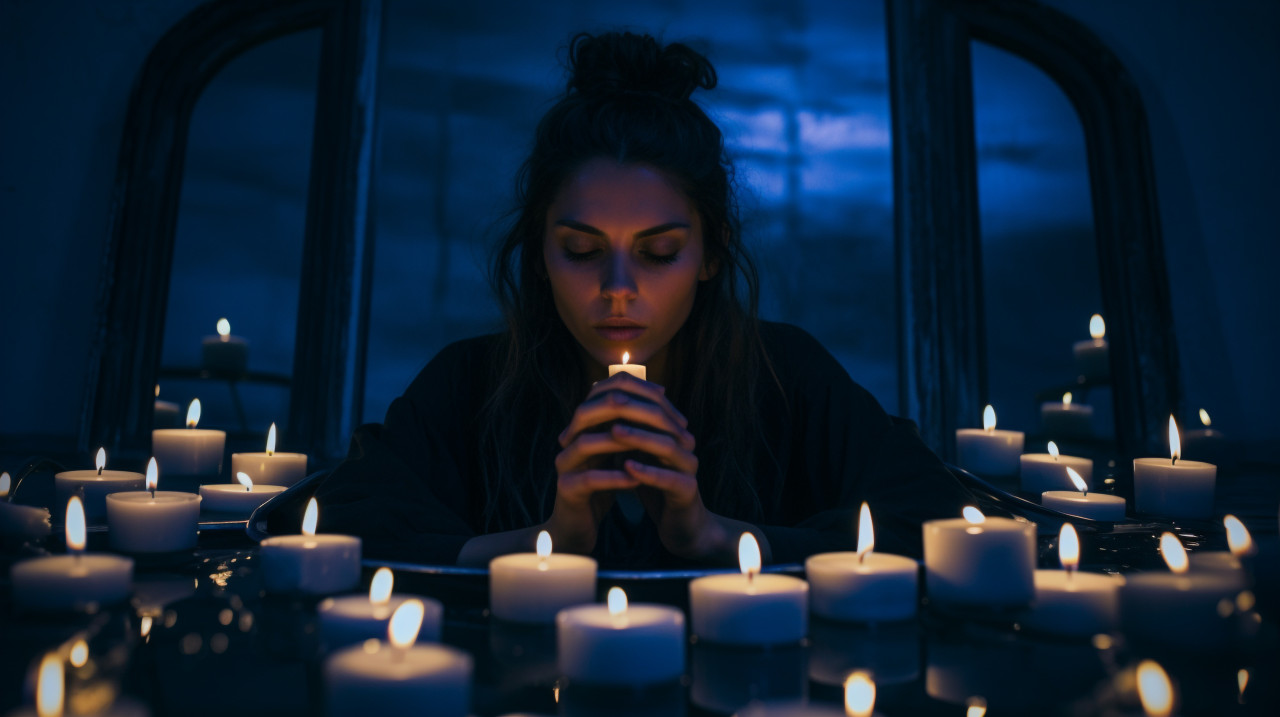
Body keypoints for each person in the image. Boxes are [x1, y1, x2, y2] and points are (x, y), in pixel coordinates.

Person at [313, 31, 972, 568]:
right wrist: (549, 541)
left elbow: (937, 517)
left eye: (659, 253)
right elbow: (332, 526)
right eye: (582, 249)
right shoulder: (470, 382)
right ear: (540, 253)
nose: (618, 286)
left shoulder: (784, 373)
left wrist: (712, 536)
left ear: (710, 254)